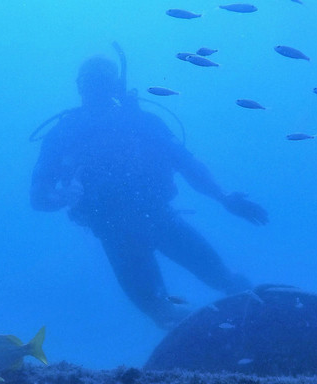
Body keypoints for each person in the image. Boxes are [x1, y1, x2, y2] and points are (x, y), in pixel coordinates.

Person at [30, 55, 267, 329]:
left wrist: (224, 197)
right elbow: (37, 195)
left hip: (158, 219)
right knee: (163, 310)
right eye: (91, 82)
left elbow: (188, 165)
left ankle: (261, 324)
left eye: (103, 81)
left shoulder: (142, 123)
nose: (97, 89)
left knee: (227, 280)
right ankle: (211, 342)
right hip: (117, 232)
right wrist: (59, 198)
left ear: (116, 84)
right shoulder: (64, 134)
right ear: (80, 86)